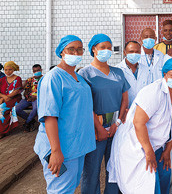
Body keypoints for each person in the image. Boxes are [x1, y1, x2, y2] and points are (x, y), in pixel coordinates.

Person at [107, 58, 172, 194]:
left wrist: (167, 150)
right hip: (139, 146)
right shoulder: (153, 92)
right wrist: (149, 152)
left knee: (164, 176)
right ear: (164, 74)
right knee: (148, 185)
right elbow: (139, 122)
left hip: (158, 146)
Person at [33, 35, 96, 193]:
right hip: (60, 148)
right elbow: (49, 117)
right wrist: (55, 151)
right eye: (71, 49)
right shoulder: (53, 78)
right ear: (62, 52)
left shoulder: (78, 79)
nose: (76, 52)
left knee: (71, 187)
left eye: (79, 49)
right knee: (60, 190)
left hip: (76, 147)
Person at [80, 34, 130, 194]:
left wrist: (117, 124)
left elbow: (124, 100)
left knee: (114, 168)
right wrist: (99, 128)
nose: (107, 51)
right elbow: (86, 105)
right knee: (91, 171)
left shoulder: (118, 72)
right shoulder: (84, 74)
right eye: (103, 48)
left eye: (109, 48)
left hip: (116, 127)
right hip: (95, 130)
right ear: (93, 49)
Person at [117, 41, 147, 107]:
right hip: (125, 110)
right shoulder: (118, 70)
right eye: (131, 51)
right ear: (125, 52)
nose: (134, 54)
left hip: (142, 109)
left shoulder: (146, 69)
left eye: (137, 52)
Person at [16, 64, 43, 132]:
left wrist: (36, 97)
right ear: (33, 71)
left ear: (41, 70)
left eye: (38, 70)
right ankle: (31, 121)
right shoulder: (30, 79)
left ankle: (27, 123)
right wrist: (28, 97)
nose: (36, 72)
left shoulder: (44, 79)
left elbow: (46, 91)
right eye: (34, 71)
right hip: (28, 98)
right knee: (17, 109)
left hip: (38, 98)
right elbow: (24, 89)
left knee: (36, 108)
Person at [0, 61, 22, 138]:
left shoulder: (18, 79)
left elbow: (16, 91)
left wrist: (6, 97)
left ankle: (2, 131)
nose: (7, 71)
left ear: (13, 69)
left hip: (15, 99)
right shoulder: (2, 79)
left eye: (10, 69)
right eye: (6, 70)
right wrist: (3, 97)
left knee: (1, 108)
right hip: (4, 99)